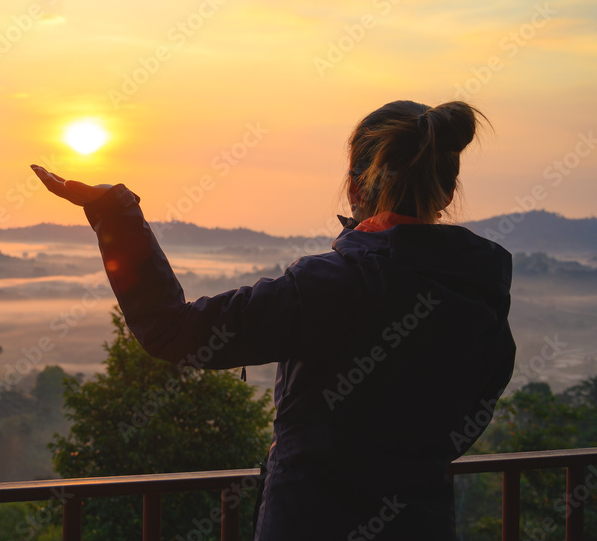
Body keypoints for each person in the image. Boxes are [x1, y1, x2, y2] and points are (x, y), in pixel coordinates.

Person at [32, 100, 516, 540]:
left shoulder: (332, 284)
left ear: (354, 185)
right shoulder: (481, 290)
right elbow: (470, 417)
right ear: (448, 189)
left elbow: (172, 329)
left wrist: (115, 214)